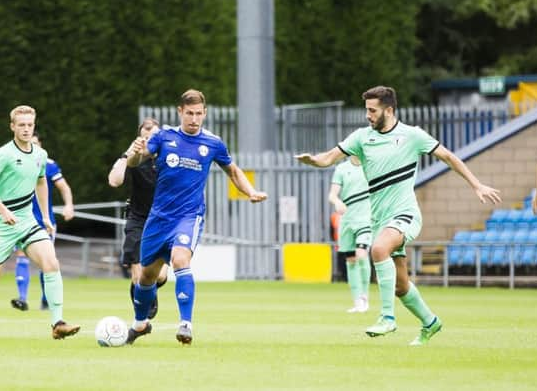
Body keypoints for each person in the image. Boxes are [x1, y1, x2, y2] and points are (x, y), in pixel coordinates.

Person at [296, 85, 501, 345]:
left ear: (389, 110)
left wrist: (477, 184)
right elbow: (329, 158)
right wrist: (313, 161)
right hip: (380, 219)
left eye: (373, 110)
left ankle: (387, 318)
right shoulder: (361, 137)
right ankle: (430, 323)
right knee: (401, 286)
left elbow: (448, 156)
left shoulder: (412, 136)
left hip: (406, 214)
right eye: (366, 110)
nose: (368, 115)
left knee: (378, 250)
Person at [124, 89, 268, 345]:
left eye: (198, 114)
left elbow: (232, 171)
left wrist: (251, 192)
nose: (194, 119)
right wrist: (135, 152)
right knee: (146, 276)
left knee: (180, 259)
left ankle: (185, 324)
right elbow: (135, 162)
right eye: (189, 113)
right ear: (180, 112)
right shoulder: (163, 136)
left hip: (189, 216)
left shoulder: (213, 143)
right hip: (158, 217)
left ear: (205, 114)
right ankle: (140, 323)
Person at [0, 105, 80, 340]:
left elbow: (41, 183)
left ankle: (57, 323)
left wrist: (45, 216)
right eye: (21, 125)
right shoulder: (2, 155)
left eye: (29, 125)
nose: (25, 129)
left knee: (51, 263)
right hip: (0, 225)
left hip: (27, 221)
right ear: (12, 126)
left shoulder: (40, 155)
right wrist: (2, 210)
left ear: (34, 126)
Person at [108, 118, 168, 320]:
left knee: (160, 275)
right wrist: (128, 154)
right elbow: (114, 181)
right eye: (146, 135)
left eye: (154, 135)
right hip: (138, 218)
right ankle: (141, 312)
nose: (150, 139)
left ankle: (151, 290)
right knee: (137, 276)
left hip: (164, 220)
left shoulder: (168, 157)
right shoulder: (132, 157)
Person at [11, 131, 74, 312]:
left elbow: (64, 187)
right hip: (22, 220)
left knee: (45, 261)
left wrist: (69, 205)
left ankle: (46, 299)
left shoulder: (48, 165)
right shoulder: (16, 164)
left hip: (44, 222)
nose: (33, 146)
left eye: (36, 143)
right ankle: (22, 299)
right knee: (22, 256)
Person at [328, 156, 372, 313]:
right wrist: (337, 202)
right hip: (346, 221)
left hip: (365, 219)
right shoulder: (341, 169)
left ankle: (365, 296)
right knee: (351, 260)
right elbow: (332, 195)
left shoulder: (370, 166)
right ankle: (357, 301)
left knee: (361, 254)